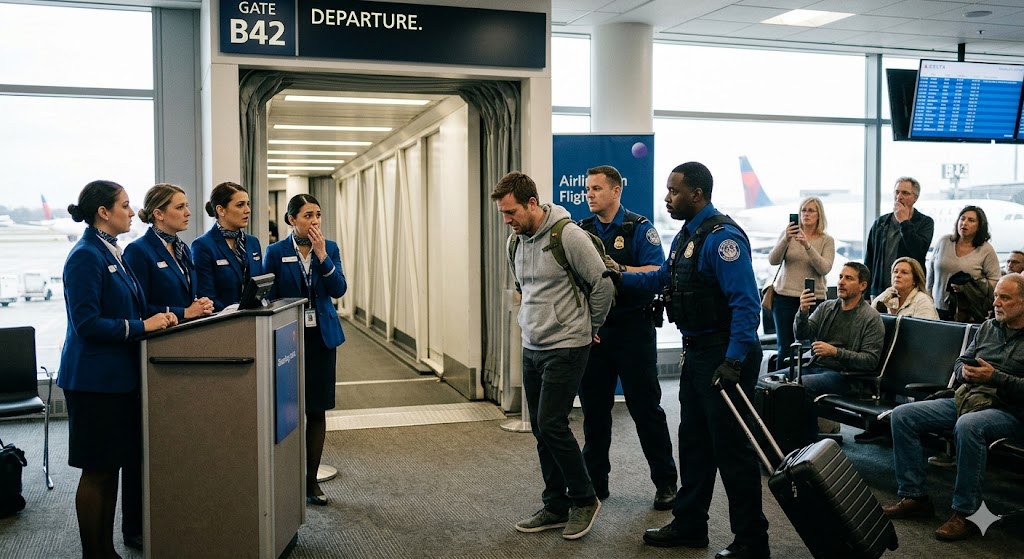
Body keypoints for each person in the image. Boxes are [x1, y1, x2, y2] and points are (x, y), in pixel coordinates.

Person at [614, 162, 769, 559]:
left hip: (724, 357)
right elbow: (663, 277)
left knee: (733, 452)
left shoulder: (723, 239)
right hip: (697, 353)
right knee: (695, 445)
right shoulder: (686, 235)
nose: (666, 198)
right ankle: (690, 524)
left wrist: (733, 361)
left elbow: (746, 306)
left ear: (696, 194)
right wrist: (619, 276)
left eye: (673, 191)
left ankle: (752, 541)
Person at [57, 180, 177, 557]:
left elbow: (129, 308)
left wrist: (164, 317)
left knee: (111, 469)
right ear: (103, 213)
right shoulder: (85, 256)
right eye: (124, 206)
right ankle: (94, 552)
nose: (131, 212)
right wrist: (144, 326)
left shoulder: (112, 252)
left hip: (117, 380)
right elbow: (87, 324)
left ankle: (104, 550)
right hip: (93, 382)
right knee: (96, 471)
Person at [492, 171, 614, 541]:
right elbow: (523, 289)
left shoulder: (568, 236)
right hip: (533, 345)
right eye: (502, 214)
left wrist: (587, 327)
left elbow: (603, 284)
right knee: (542, 431)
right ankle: (556, 504)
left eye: (511, 212)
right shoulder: (516, 242)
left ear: (532, 203)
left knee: (552, 424)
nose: (507, 220)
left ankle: (584, 499)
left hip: (567, 344)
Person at [881, 274, 1024, 542]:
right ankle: (915, 496)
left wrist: (994, 377)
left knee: (969, 425)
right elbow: (961, 361)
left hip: (1010, 409)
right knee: (903, 415)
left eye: (1005, 298)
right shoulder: (988, 327)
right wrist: (964, 372)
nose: (996, 303)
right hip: (970, 397)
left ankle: (966, 513)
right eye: (995, 296)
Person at [575, 165, 678, 510]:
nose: (589, 194)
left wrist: (618, 270)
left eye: (597, 189)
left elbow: (657, 273)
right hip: (596, 333)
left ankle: (666, 484)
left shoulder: (639, 229)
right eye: (588, 189)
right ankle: (596, 484)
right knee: (595, 412)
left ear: (616, 191)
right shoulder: (582, 230)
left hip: (633, 330)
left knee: (646, 410)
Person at [264, 194, 348, 506]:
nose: (314, 221)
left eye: (318, 215)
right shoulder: (275, 252)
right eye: (307, 215)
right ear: (291, 220)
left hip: (321, 338)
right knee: (287, 411)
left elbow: (338, 289)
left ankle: (311, 482)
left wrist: (324, 257)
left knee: (317, 409)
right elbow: (267, 297)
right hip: (288, 340)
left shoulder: (331, 248)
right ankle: (285, 479)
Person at [795, 262, 885, 442]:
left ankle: (805, 444)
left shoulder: (871, 318)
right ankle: (778, 441)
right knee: (769, 382)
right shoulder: (826, 307)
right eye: (840, 277)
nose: (841, 282)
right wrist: (803, 312)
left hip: (846, 376)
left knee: (800, 386)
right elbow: (802, 335)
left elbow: (870, 361)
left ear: (862, 286)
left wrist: (836, 352)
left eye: (849, 278)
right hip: (817, 367)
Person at [123, 183, 214, 323]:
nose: (188, 212)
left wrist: (201, 305)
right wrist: (185, 312)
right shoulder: (138, 251)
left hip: (187, 331)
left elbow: (185, 294)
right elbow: (138, 306)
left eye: (186, 205)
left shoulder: (183, 248)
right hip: (159, 337)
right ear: (159, 214)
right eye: (180, 207)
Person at [767, 196, 835, 353]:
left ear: (819, 215)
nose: (806, 214)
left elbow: (824, 268)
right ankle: (782, 376)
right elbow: (773, 260)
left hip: (813, 299)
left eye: (811, 211)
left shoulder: (826, 240)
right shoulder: (788, 236)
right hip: (785, 298)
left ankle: (809, 377)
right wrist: (785, 238)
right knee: (784, 347)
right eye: (803, 210)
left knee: (814, 347)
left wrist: (807, 245)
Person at [192, 181, 264, 312]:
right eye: (240, 205)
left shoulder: (253, 242)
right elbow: (206, 295)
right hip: (222, 321)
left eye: (248, 204)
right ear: (221, 210)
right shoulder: (203, 245)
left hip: (253, 319)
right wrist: (235, 311)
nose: (247, 210)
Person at [927, 205, 1000, 322]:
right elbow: (931, 272)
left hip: (967, 312)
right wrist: (928, 296)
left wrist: (968, 286)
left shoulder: (986, 250)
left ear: (979, 226)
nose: (964, 223)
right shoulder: (944, 241)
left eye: (971, 220)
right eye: (962, 218)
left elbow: (995, 281)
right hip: (937, 309)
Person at [864, 177, 935, 299]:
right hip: (880, 291)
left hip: (910, 292)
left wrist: (904, 222)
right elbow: (869, 260)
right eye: (897, 192)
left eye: (905, 193)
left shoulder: (924, 222)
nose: (899, 197)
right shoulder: (881, 223)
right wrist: (866, 293)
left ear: (915, 198)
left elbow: (918, 251)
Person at [871, 257, 939, 320]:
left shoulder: (923, 301)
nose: (897, 275)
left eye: (904, 272)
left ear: (915, 280)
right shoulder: (885, 296)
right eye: (895, 271)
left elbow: (924, 331)